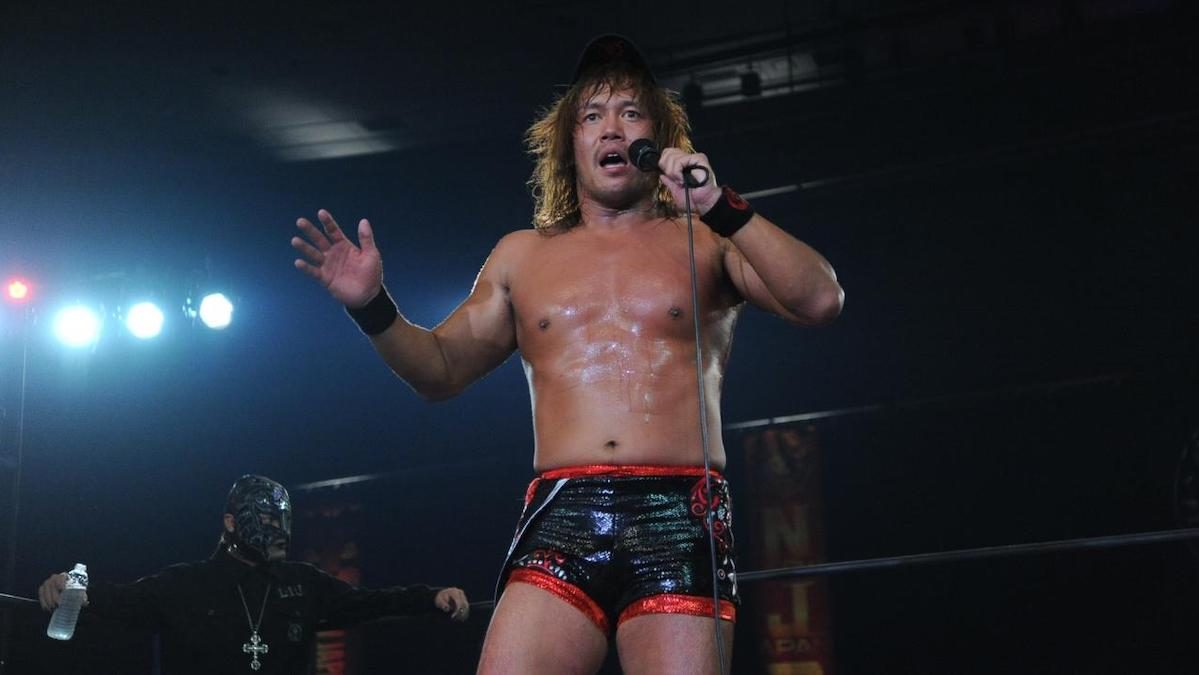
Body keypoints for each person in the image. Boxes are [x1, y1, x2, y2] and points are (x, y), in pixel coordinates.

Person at [292, 33, 843, 675]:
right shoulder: (522, 255)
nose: (612, 128)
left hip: (678, 513)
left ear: (658, 138)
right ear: (570, 142)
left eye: (630, 113)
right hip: (562, 513)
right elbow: (439, 371)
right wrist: (371, 306)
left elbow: (820, 300)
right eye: (593, 115)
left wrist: (721, 207)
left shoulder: (707, 241)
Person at [37, 474, 470, 674]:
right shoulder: (186, 585)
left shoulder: (303, 583)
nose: (278, 529)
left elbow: (371, 602)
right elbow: (119, 601)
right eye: (265, 519)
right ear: (231, 522)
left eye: (283, 519)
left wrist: (430, 596)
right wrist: (71, 587)